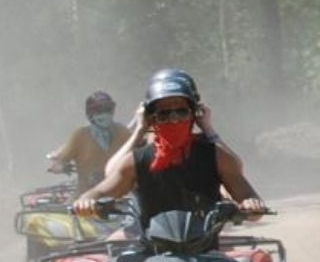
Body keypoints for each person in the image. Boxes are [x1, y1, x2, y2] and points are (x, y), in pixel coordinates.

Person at [73, 69, 267, 231]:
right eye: (164, 114)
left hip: (205, 251)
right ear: (152, 118)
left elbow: (249, 199)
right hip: (151, 251)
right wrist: (86, 200)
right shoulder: (137, 159)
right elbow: (103, 187)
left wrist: (251, 205)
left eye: (181, 112)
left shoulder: (215, 155)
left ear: (193, 113)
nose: (174, 120)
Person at [46, 91, 122, 193]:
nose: (104, 113)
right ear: (90, 115)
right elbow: (58, 164)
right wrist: (61, 167)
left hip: (121, 195)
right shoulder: (80, 136)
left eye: (107, 109)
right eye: (98, 110)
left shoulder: (123, 132)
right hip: (86, 197)